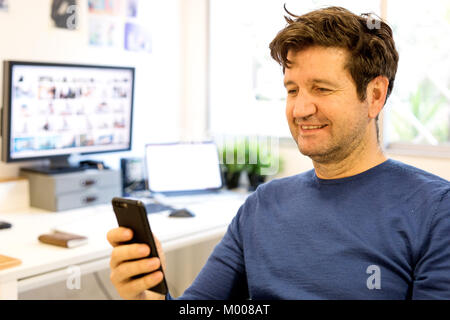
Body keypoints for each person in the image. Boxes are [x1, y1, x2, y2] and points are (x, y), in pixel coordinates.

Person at [107, 6, 450, 300]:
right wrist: (147, 294)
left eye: (321, 88)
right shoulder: (261, 205)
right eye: (292, 89)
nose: (300, 109)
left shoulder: (435, 211)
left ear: (375, 95)